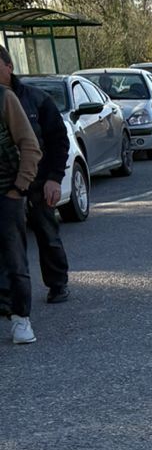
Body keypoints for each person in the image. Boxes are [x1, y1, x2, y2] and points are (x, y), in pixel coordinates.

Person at [14, 74, 70, 305]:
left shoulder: (37, 99)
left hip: (39, 180)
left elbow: (59, 140)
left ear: (8, 66)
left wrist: (54, 178)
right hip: (6, 182)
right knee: (9, 240)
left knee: (47, 234)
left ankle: (57, 284)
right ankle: (11, 294)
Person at [0, 48, 43, 344]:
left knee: (15, 259)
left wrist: (19, 187)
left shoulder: (5, 98)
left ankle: (21, 319)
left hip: (6, 193)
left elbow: (30, 145)